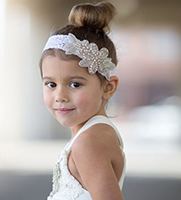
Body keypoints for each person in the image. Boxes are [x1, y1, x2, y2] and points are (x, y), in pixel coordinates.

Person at [39, 1, 126, 200]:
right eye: (51, 84)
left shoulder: (88, 142)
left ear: (108, 87)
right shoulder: (95, 133)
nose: (60, 96)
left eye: (75, 84)